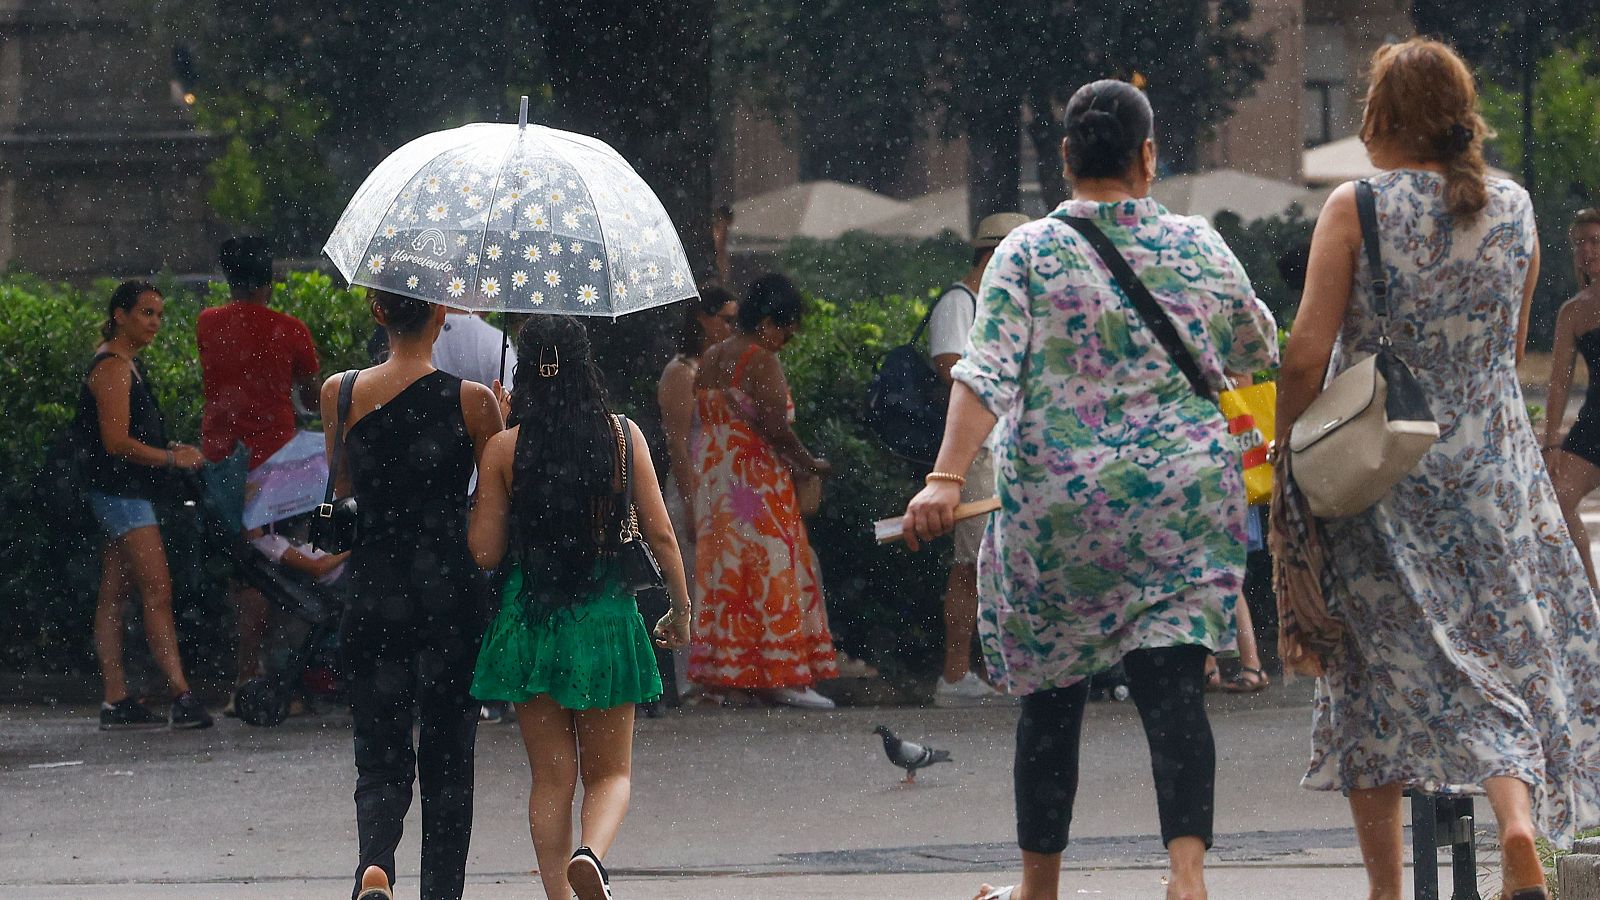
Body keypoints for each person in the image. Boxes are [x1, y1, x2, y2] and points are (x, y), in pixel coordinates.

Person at [902, 79, 1279, 900]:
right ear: (1149, 158)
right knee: (1177, 688)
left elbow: (985, 373)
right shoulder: (1200, 247)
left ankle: (1041, 888)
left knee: (1051, 699)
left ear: (1066, 160)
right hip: (1181, 506)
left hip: (1059, 514)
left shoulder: (1027, 253)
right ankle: (1186, 876)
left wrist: (943, 478)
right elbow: (1259, 344)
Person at [1275, 39, 1600, 900]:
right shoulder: (1520, 207)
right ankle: (1517, 827)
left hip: (1382, 474)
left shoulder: (1359, 207)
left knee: (1370, 676)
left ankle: (1387, 890)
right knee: (1497, 660)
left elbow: (1307, 352)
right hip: (1494, 475)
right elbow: (1512, 341)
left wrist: (1286, 449)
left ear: (1383, 116)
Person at [469, 315, 691, 900]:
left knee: (551, 777)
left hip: (531, 621)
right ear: (584, 362)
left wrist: (491, 438)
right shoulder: (623, 436)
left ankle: (558, 897)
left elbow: (486, 553)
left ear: (524, 368)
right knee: (611, 773)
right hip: (604, 620)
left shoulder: (503, 449)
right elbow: (662, 536)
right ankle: (590, 854)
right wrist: (681, 607)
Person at [323, 290, 504, 900]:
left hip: (374, 588)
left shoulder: (340, 392)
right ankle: (440, 892)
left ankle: (375, 863)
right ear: (442, 315)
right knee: (450, 753)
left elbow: (344, 487)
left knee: (377, 747)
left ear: (378, 313)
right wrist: (495, 431)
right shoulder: (473, 400)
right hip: (450, 593)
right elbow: (491, 512)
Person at [688, 273, 840, 709]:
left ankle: (733, 676)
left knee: (728, 577)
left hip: (717, 486)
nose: (786, 340)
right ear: (771, 321)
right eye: (786, 329)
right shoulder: (760, 359)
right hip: (754, 485)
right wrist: (811, 464)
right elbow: (775, 426)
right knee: (772, 570)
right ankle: (781, 674)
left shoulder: (713, 357)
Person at [77, 281, 214, 731]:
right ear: (120, 315)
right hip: (121, 494)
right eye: (145, 313)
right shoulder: (114, 367)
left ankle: (116, 699)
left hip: (121, 490)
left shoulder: (125, 365)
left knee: (115, 594)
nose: (154, 322)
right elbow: (116, 443)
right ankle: (182, 694)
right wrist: (173, 458)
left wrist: (165, 448)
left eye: (157, 314)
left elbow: (126, 437)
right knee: (157, 592)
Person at [198, 236, 321, 702]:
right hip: (277, 464)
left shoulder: (208, 324)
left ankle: (245, 677)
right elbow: (311, 397)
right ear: (269, 283)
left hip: (223, 460)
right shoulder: (291, 331)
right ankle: (280, 679)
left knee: (245, 572)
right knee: (281, 570)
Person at [926, 212, 1029, 707]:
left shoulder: (993, 305)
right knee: (972, 564)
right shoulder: (958, 302)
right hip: (975, 455)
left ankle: (981, 669)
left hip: (998, 450)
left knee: (994, 564)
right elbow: (952, 370)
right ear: (992, 256)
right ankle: (954, 674)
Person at [657, 284, 738, 697]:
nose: (731, 326)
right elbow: (676, 443)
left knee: (720, 580)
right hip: (693, 486)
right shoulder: (681, 371)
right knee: (689, 579)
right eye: (726, 318)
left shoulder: (717, 367)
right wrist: (689, 505)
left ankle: (717, 673)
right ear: (704, 319)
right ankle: (688, 679)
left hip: (723, 489)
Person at [1543, 208, 1600, 588]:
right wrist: (1551, 442)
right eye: (1579, 243)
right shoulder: (1573, 312)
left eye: (1595, 240)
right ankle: (1592, 596)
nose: (1587, 250)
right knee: (1556, 502)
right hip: (1595, 423)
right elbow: (1559, 383)